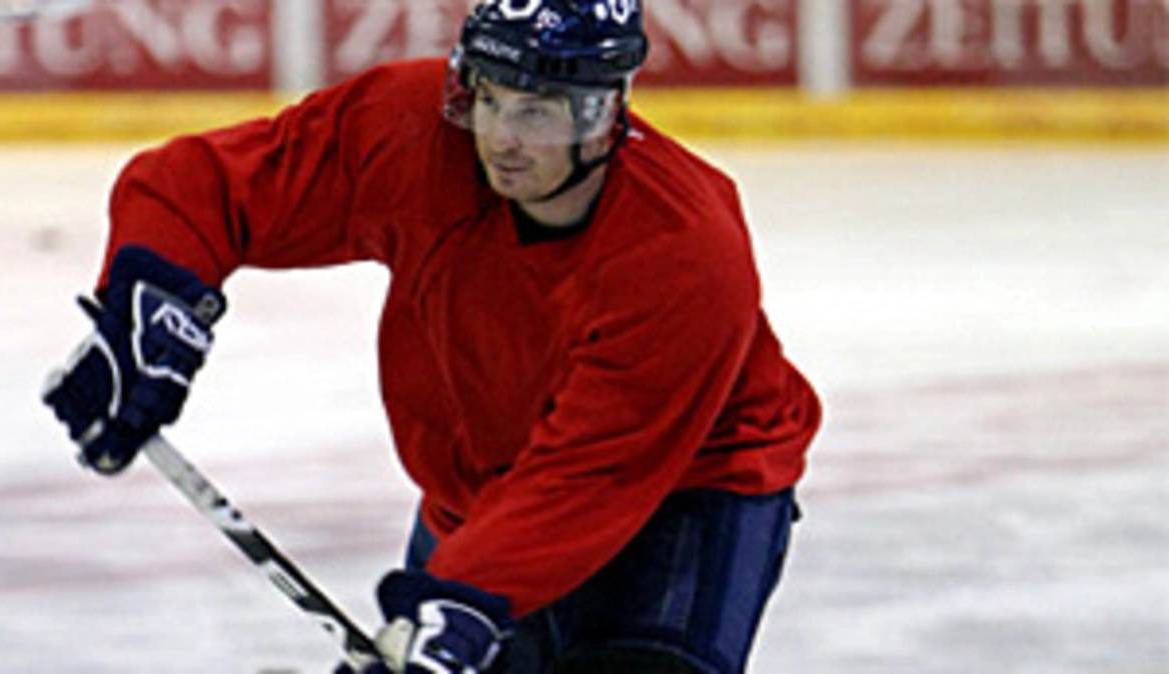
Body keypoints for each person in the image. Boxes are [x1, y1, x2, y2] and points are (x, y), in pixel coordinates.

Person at [41, 1, 821, 672]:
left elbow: (589, 477)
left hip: (686, 491)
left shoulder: (683, 252)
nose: (502, 136)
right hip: (482, 488)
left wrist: (459, 596)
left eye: (537, 111)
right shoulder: (414, 130)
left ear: (603, 112)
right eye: (488, 97)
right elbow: (207, 184)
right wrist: (151, 300)